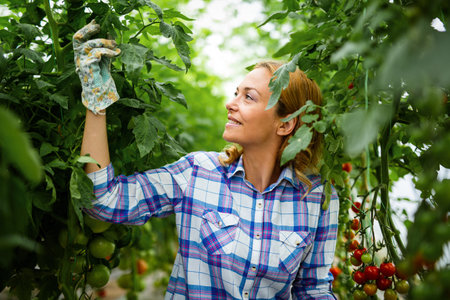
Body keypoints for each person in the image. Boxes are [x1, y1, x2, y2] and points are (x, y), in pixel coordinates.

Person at [76, 21, 339, 300]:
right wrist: (97, 104)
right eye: (236, 92)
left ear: (286, 124)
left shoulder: (318, 198)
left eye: (248, 97)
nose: (231, 103)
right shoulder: (198, 173)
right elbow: (103, 201)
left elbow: (313, 290)